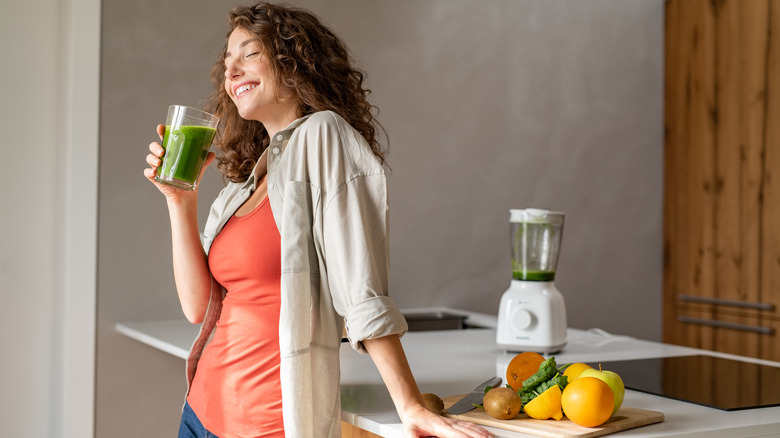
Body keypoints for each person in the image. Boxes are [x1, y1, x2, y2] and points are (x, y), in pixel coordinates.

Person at [144, 3, 493, 438]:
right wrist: (181, 201)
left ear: (295, 61)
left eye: (249, 53)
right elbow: (199, 308)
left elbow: (360, 284)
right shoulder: (243, 185)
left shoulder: (324, 136)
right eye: (227, 60)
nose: (231, 69)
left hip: (269, 424)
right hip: (198, 413)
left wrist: (410, 404)